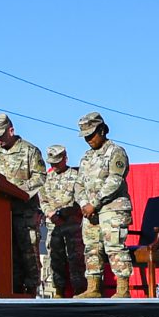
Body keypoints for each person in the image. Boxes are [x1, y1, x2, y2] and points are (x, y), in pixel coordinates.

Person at [0, 113, 45, 296]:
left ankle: (32, 290)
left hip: (25, 213)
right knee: (8, 255)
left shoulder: (29, 151)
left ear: (11, 130)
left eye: (1, 136)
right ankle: (13, 291)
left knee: (28, 254)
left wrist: (17, 191)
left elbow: (40, 177)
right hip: (1, 214)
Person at [73, 112, 134, 299]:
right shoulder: (86, 157)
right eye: (85, 136)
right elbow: (78, 184)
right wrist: (84, 203)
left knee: (114, 247)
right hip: (90, 212)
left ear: (102, 130)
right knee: (91, 249)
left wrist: (94, 203)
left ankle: (123, 289)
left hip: (112, 209)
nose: (88, 140)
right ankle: (94, 288)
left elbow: (115, 181)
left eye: (91, 134)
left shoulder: (116, 152)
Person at [36, 144, 84, 298]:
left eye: (57, 162)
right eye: (51, 162)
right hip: (54, 226)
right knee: (55, 260)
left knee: (76, 260)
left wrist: (67, 212)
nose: (54, 165)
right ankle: (58, 292)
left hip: (72, 226)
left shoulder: (76, 176)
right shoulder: (47, 178)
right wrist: (50, 212)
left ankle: (80, 291)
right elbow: (42, 200)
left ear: (65, 158)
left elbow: (81, 199)